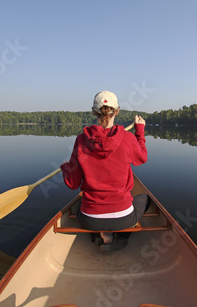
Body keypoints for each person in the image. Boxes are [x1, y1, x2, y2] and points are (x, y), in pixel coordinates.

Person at [60, 90, 148, 250]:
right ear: (118, 111)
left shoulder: (81, 140)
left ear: (93, 111)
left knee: (81, 201)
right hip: (123, 218)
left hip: (89, 219)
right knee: (144, 198)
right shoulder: (127, 139)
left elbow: (73, 184)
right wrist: (139, 130)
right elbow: (141, 158)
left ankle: (98, 235)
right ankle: (120, 237)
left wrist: (66, 167)